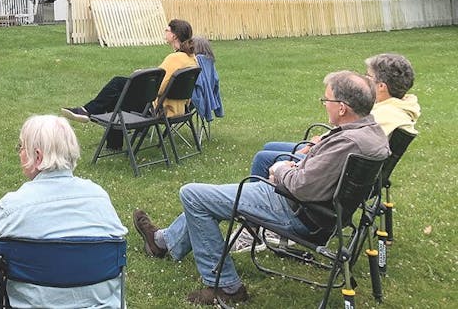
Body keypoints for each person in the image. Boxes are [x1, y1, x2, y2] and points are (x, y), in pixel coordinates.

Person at [132, 71, 390, 305]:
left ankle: (226, 287)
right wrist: (304, 158)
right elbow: (319, 175)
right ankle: (162, 241)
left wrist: (281, 171)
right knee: (209, 199)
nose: (325, 105)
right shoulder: (369, 133)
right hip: (311, 209)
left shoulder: (348, 143)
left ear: (343, 108)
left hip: (294, 210)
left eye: (327, 101)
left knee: (193, 195)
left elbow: (302, 186)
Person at [0, 115, 127, 309]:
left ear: (38, 155)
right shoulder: (100, 199)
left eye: (22, 147)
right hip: (97, 304)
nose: (19, 153)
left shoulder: (11, 208)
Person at [249, 53, 419, 178]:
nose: (364, 79)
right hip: (334, 155)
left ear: (381, 86)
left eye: (368, 76)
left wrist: (313, 147)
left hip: (331, 163)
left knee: (263, 158)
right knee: (270, 146)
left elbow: (346, 143)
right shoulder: (396, 107)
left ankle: (255, 216)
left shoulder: (386, 114)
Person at [61, 18, 198, 149]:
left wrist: (141, 78)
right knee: (120, 92)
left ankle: (88, 112)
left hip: (159, 109)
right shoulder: (191, 59)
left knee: (118, 85)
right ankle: (100, 128)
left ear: (174, 36)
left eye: (167, 29)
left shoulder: (174, 58)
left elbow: (158, 87)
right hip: (179, 108)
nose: (165, 31)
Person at [191, 36, 223, 125]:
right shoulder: (210, 62)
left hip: (190, 99)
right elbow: (216, 82)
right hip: (207, 96)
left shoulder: (196, 62)